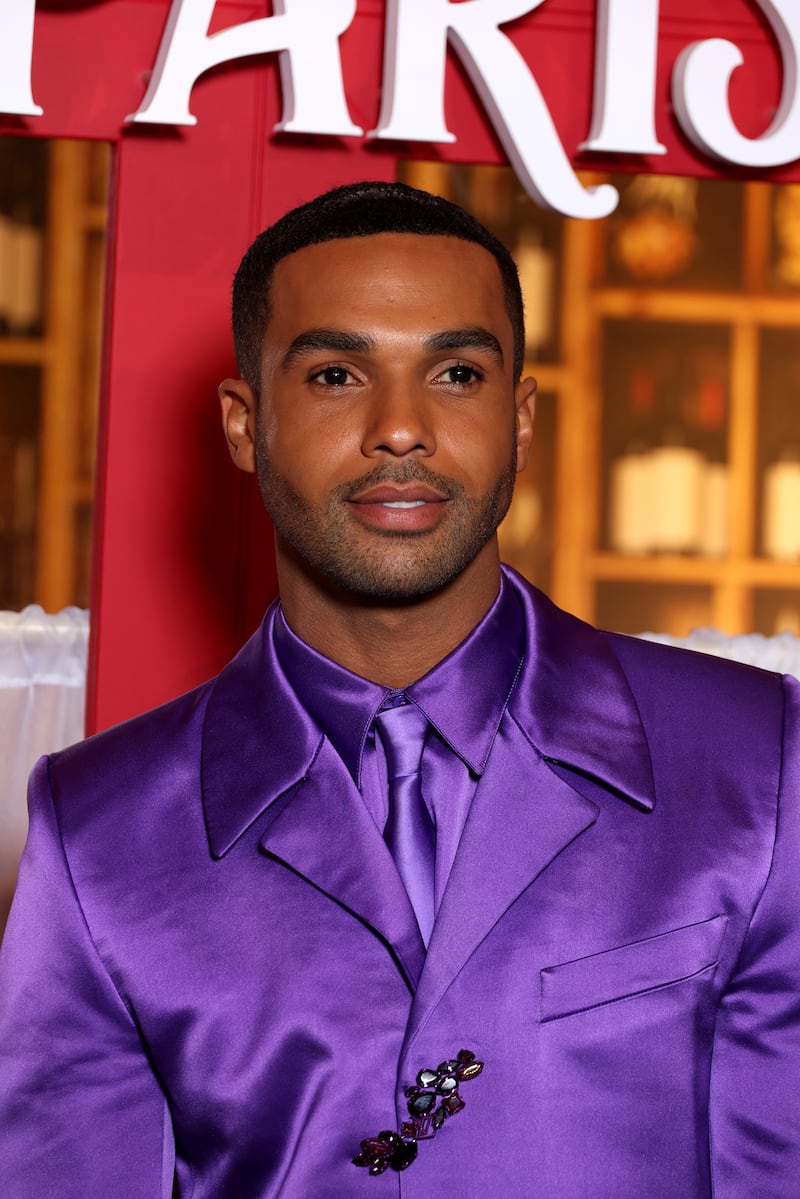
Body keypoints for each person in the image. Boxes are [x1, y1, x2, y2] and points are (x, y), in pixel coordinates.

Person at [0, 181, 798, 1198]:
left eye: (455, 371)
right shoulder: (98, 828)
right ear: (245, 426)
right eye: (336, 372)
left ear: (518, 417)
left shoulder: (755, 759)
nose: (400, 428)